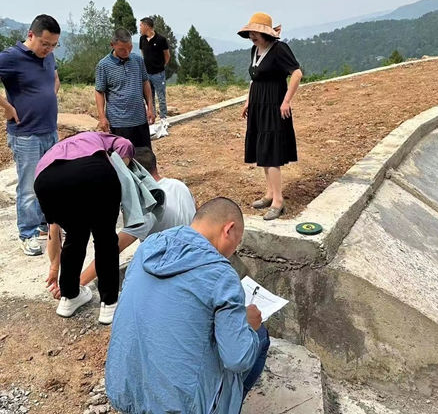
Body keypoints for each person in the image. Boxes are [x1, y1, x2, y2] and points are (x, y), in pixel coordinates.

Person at [106, 197, 270, 414]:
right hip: (178, 408)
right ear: (228, 230)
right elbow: (237, 360)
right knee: (259, 337)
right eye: (237, 243)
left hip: (124, 392)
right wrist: (248, 326)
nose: (233, 250)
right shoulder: (221, 274)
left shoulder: (148, 248)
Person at [0, 14, 61, 256]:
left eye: (54, 45)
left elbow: (54, 78)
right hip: (26, 135)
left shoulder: (49, 56)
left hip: (49, 130)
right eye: (45, 44)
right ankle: (27, 233)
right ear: (31, 35)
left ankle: (45, 225)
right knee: (29, 186)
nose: (48, 49)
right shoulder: (11, 56)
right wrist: (7, 107)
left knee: (50, 182)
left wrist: (48, 96)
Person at [33, 131, 136, 323]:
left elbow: (53, 230)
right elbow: (125, 145)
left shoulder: (52, 153)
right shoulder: (97, 136)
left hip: (46, 182)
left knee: (75, 234)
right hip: (95, 173)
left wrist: (54, 267)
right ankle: (109, 304)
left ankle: (69, 297)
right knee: (105, 237)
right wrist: (119, 173)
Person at [78, 146, 196, 287]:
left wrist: (78, 282)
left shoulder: (147, 204)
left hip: (172, 271)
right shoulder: (179, 186)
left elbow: (112, 250)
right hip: (193, 258)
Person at [238, 12, 303, 221]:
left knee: (272, 152)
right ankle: (269, 194)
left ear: (265, 33)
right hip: (258, 105)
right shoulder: (254, 50)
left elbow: (297, 73)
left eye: (255, 33)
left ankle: (278, 201)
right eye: (250, 33)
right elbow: (254, 79)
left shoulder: (279, 49)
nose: (252, 37)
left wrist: (286, 101)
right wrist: (248, 101)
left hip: (274, 104)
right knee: (263, 150)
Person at [95, 28, 155, 149]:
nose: (127, 52)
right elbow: (99, 91)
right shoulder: (103, 65)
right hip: (119, 123)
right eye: (122, 49)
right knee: (123, 157)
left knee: (145, 155)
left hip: (140, 119)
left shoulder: (138, 60)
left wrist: (150, 107)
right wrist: (102, 117)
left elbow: (145, 83)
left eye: (130, 48)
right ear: (112, 45)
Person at [138, 17, 170, 122]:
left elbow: (167, 56)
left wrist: (161, 66)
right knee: (149, 97)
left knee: (161, 96)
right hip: (147, 74)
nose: (140, 28)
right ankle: (152, 117)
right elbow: (143, 54)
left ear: (146, 26)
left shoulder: (161, 39)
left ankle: (163, 118)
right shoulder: (142, 39)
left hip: (158, 74)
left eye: (141, 25)